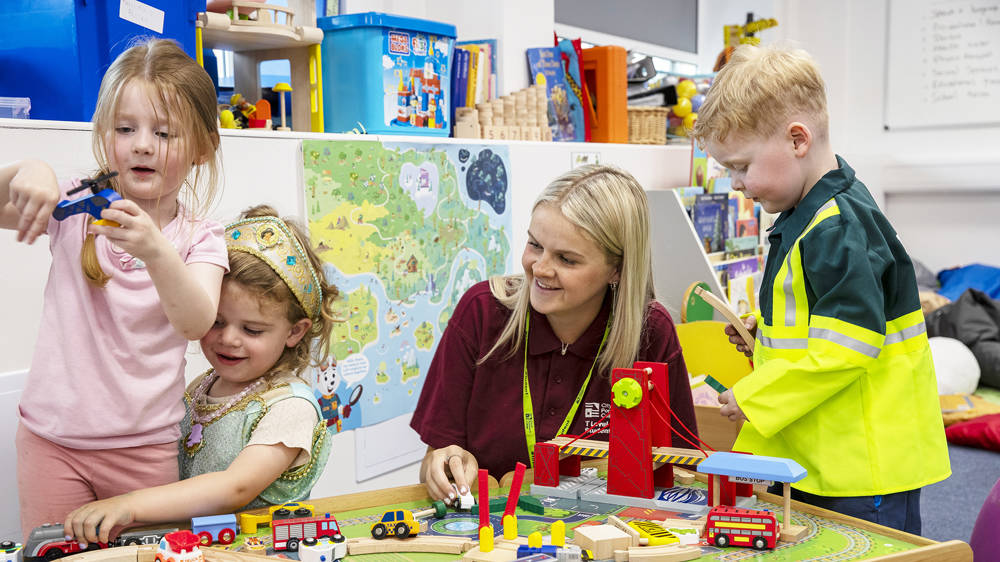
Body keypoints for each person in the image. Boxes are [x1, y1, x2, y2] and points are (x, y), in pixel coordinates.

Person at [690, 44, 950, 534]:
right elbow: (822, 315)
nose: (736, 183)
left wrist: (756, 397)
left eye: (741, 166)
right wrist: (764, 334)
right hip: (825, 449)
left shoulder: (836, 226)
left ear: (797, 139)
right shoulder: (810, 212)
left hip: (861, 465)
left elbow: (847, 348)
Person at [2, 38, 229, 538]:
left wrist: (156, 251)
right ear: (105, 135)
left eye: (164, 133)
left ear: (202, 148)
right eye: (125, 129)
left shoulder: (202, 237)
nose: (142, 144)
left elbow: (195, 321)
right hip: (51, 445)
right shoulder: (75, 205)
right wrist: (27, 170)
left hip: (145, 453)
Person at [410, 165, 699, 504]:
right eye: (535, 244)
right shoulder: (482, 312)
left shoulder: (650, 333)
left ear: (617, 269)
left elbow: (683, 473)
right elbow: (435, 459)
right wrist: (446, 464)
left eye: (567, 259)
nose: (540, 268)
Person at [63, 206, 339, 544]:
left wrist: (129, 505)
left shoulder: (290, 406)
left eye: (252, 329)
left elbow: (236, 487)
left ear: (295, 331)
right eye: (216, 321)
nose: (228, 339)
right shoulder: (201, 386)